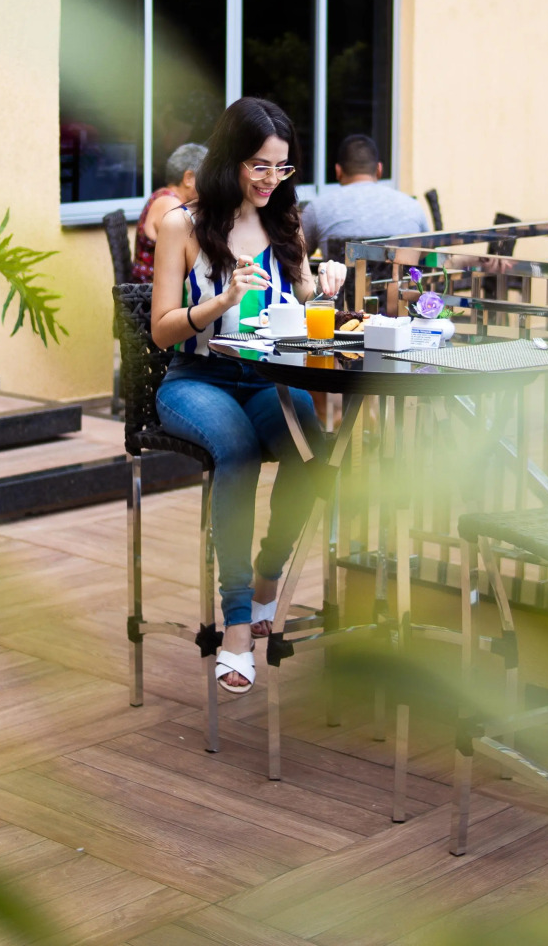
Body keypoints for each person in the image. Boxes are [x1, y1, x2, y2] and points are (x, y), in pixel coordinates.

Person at [149, 97, 347, 695]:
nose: (271, 180)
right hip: (196, 378)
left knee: (311, 451)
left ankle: (268, 577)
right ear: (230, 158)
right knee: (234, 452)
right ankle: (237, 623)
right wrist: (221, 300)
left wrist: (325, 284)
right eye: (260, 166)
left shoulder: (286, 222)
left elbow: (303, 298)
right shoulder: (182, 224)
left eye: (282, 167)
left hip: (267, 379)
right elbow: (161, 330)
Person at [299, 135, 428, 264]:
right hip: (400, 277)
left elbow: (297, 255)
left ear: (338, 171)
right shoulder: (412, 207)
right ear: (379, 169)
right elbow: (426, 253)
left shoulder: (317, 208)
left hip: (342, 278)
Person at [130, 142, 205, 283]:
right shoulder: (171, 205)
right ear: (188, 178)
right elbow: (192, 257)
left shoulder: (162, 195)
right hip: (151, 290)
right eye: (205, 177)